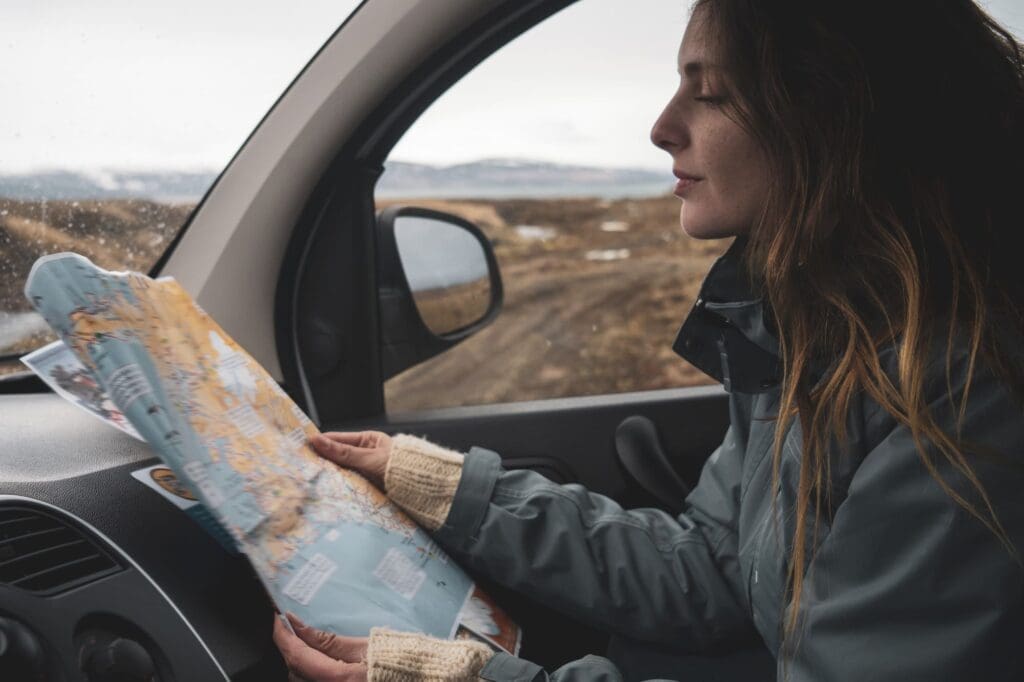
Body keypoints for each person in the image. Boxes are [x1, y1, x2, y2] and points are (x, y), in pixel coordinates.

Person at [273, 1, 1024, 679]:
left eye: (711, 91)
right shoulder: (816, 333)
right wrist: (449, 491)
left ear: (837, 113)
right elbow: (717, 570)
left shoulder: (964, 389)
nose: (663, 126)